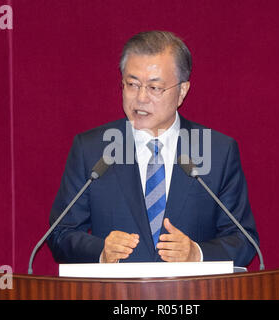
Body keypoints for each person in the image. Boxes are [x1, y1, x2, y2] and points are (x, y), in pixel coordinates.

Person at [47, 31, 259, 267]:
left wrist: (196, 254)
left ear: (182, 91)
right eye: (132, 84)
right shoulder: (92, 149)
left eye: (154, 88)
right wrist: (101, 251)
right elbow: (59, 234)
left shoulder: (217, 151)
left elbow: (244, 240)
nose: (140, 98)